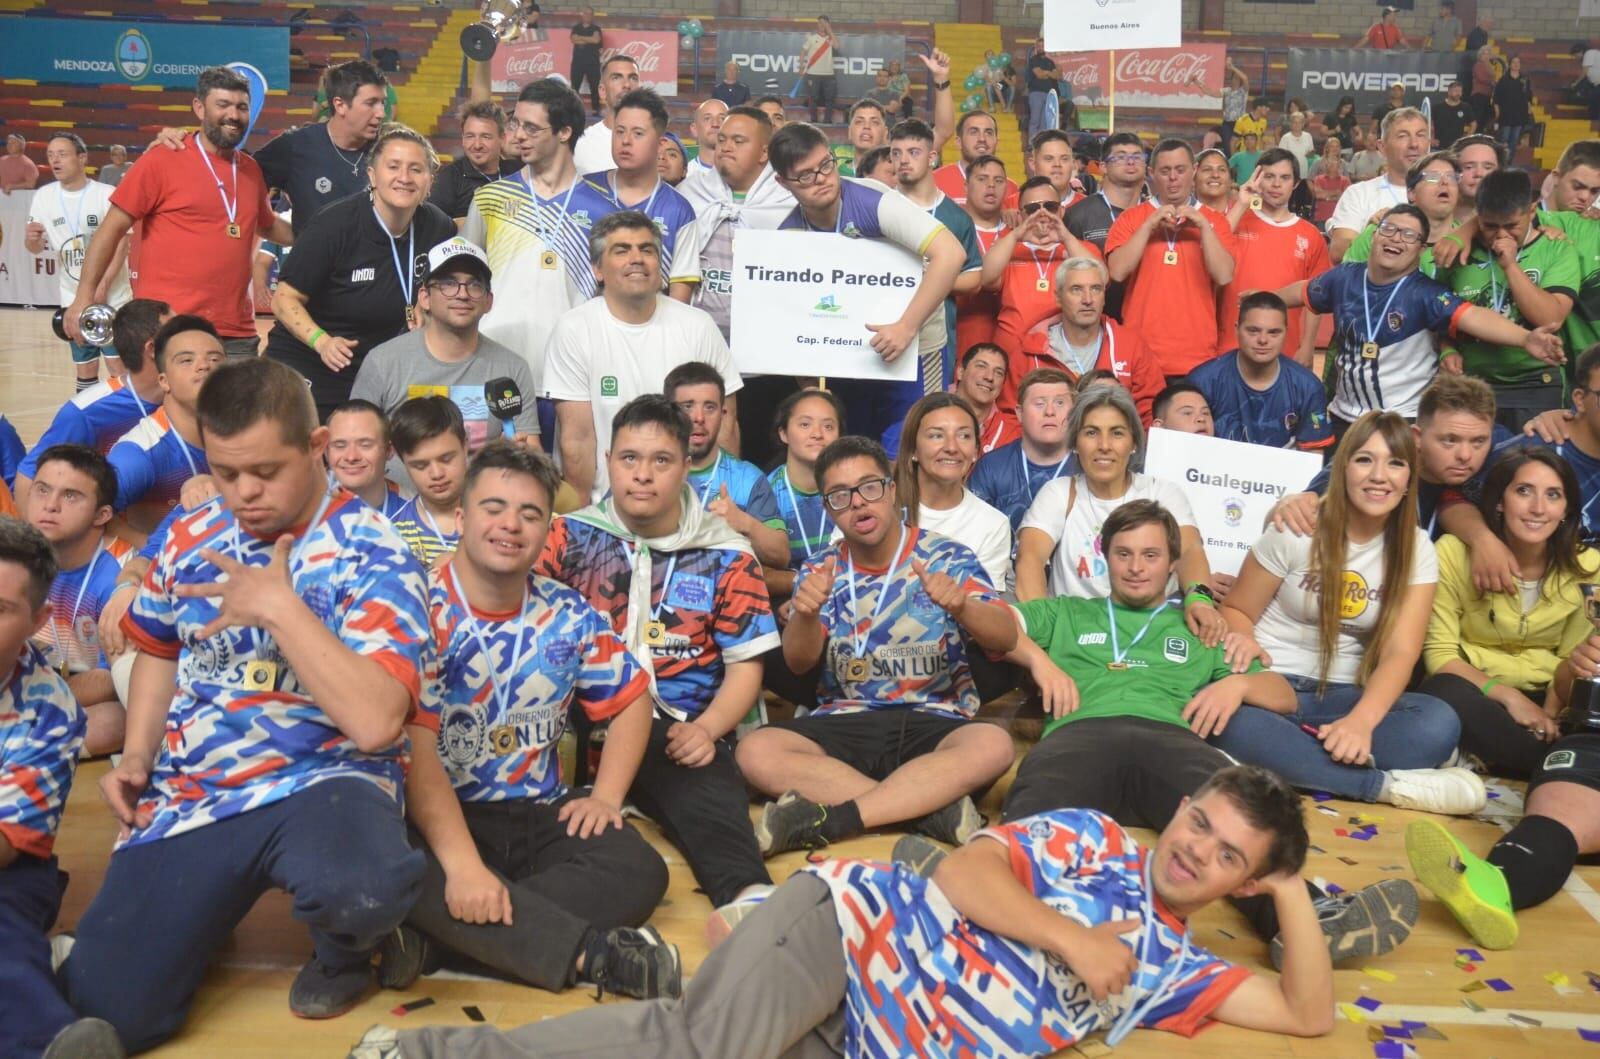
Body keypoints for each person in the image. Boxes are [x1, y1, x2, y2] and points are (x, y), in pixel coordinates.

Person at [359, 764, 1341, 1059]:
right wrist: (1071, 938)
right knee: (700, 1052)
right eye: (1198, 821)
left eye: (1226, 855)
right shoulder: (1090, 836)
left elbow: (1306, 1015)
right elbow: (963, 880)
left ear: (1239, 882)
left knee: (679, 1037)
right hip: (850, 932)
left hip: (869, 1042)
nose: (1194, 848)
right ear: (1176, 804)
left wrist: (1288, 882)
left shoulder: (1178, 970)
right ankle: (424, 1056)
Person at [63, 357, 432, 1050]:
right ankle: (196, 910)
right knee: (108, 1009)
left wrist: (282, 611)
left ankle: (349, 950)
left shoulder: (375, 549)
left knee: (366, 886)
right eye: (227, 472)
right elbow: (160, 651)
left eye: (266, 471)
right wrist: (137, 754)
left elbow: (380, 722)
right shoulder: (189, 533)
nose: (244, 492)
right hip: (196, 786)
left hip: (327, 776)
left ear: (317, 447)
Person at [378, 439, 680, 1001]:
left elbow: (633, 699)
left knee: (642, 869)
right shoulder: (413, 607)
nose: (510, 525)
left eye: (530, 513)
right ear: (463, 517)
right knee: (384, 864)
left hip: (535, 812)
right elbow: (412, 748)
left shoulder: (567, 611)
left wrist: (607, 798)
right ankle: (588, 954)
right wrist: (464, 866)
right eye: (494, 508)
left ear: (548, 529)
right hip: (433, 815)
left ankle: (438, 942)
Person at [534, 396, 782, 936]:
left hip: (677, 728)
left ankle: (750, 907)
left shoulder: (728, 553)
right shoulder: (567, 536)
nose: (642, 475)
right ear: (607, 460)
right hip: (573, 728)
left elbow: (746, 669)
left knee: (712, 800)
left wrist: (708, 730)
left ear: (687, 464)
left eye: (660, 461)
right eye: (628, 459)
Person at [735, 435, 1017, 855]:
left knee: (994, 745)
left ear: (891, 490)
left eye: (869, 487)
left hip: (933, 719)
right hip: (845, 721)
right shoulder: (822, 566)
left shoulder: (947, 556)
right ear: (829, 509)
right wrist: (807, 615)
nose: (859, 504)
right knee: (755, 750)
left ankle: (840, 818)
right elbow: (797, 664)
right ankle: (927, 810)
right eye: (840, 496)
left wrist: (962, 606)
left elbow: (1006, 637)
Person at [1210, 412, 1485, 814]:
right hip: (1270, 685)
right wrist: (1246, 659)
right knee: (1232, 722)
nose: (1379, 475)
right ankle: (1385, 786)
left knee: (1437, 723)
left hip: (1344, 696)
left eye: (1395, 463)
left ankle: (1288, 757)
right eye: (1364, 460)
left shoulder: (1417, 548)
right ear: (1342, 468)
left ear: (1410, 477)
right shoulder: (1297, 529)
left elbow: (1400, 654)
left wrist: (1361, 723)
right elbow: (1236, 609)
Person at [64, 67, 293, 358]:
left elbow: (268, 225)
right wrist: (83, 297)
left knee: (236, 405)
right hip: (169, 329)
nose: (233, 115)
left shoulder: (249, 170)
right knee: (171, 406)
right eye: (222, 105)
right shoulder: (162, 159)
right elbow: (111, 229)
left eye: (241, 107)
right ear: (199, 107)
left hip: (236, 334)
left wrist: (318, 235)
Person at [1278, 204, 1563, 434]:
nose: (1396, 238)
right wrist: (1263, 298)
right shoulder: (1344, 277)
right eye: (1388, 229)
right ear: (1374, 235)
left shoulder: (1426, 294)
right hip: (1344, 418)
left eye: (1409, 235)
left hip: (1404, 422)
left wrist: (1525, 338)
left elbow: (1475, 317)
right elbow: (1302, 291)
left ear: (1421, 249)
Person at [0, 518, 115, 1059]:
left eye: (0, 610)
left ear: (38, 620)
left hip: (11, 867)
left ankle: (47, 1044)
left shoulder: (47, 707)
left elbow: (6, 844)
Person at [772, 122, 965, 438]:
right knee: (855, 449)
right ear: (783, 182)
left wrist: (906, 327)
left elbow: (951, 254)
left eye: (826, 165)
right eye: (805, 176)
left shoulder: (873, 201)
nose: (821, 179)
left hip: (915, 346)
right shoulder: (789, 235)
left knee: (916, 444)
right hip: (851, 356)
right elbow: (794, 322)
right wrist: (808, 386)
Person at [1419, 447, 1595, 779]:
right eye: (1523, 491)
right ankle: (1550, 766)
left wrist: (1548, 714)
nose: (1538, 508)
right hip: (1476, 691)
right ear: (1500, 500)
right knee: (1438, 693)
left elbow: (1570, 665)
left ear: (1566, 509)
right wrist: (1510, 698)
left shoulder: (1589, 568)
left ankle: (1509, 758)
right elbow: (1440, 657)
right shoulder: (1453, 553)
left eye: (1553, 495)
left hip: (1548, 696)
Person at [544, 210, 739, 503]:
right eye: (622, 250)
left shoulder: (698, 325)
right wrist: (585, 519)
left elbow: (725, 423)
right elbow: (578, 439)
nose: (637, 258)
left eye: (647, 250)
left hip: (692, 503)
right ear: (598, 269)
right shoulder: (573, 328)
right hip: (607, 506)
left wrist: (721, 505)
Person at [1015, 386, 1229, 652]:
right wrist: (1044, 631)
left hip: (1152, 633)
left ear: (1134, 443)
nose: (1104, 446)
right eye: (1091, 433)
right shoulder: (1059, 492)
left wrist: (1199, 601)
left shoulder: (1162, 492)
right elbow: (1030, 559)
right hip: (1078, 636)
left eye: (1117, 433)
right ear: (1075, 444)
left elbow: (1190, 550)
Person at [266, 124, 455, 421]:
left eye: (416, 169)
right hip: (314, 362)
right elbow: (284, 299)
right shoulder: (334, 225)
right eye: (393, 167)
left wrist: (424, 302)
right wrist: (322, 341)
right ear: (372, 175)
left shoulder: (438, 226)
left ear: (430, 180)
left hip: (380, 366)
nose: (404, 178)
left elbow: (440, 282)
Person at [1406, 669, 1600, 951]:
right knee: (1559, 815)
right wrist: (1576, 668)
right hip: (1592, 738)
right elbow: (1561, 691)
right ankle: (1496, 883)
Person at [463, 78, 618, 400]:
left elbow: (612, 299)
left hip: (570, 373)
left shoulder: (604, 211)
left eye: (532, 128)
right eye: (516, 124)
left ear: (564, 132)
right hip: (492, 366)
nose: (518, 135)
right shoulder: (489, 199)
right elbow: (464, 280)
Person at [676, 106, 795, 467]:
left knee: (761, 452)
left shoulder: (789, 201)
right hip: (701, 352)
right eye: (723, 139)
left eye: (739, 141)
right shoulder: (690, 193)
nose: (725, 146)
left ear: (764, 152)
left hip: (767, 358)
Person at [352, 235, 541, 452]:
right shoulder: (382, 362)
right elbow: (356, 445)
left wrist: (513, 453)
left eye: (474, 285)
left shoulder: (512, 369)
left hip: (479, 485)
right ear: (424, 298)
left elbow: (530, 449)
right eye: (449, 284)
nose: (462, 294)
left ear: (489, 301)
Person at [1438, 169, 1578, 430]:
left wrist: (1510, 266)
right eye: (1490, 226)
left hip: (1534, 382)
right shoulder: (1460, 250)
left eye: (1512, 225)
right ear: (1477, 216)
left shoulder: (1557, 249)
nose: (1501, 235)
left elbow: (1551, 318)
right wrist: (1447, 348)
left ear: (1532, 211)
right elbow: (1438, 314)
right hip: (1471, 383)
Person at [24, 445, 133, 758]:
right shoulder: (18, 554)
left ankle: (25, 751)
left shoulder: (119, 575)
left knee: (115, 720)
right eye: (42, 490)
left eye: (71, 496)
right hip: (45, 683)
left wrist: (30, 698)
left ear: (103, 515)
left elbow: (114, 680)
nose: (50, 506)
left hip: (89, 694)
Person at [13, 299, 169, 501]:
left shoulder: (188, 396)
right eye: (177, 333)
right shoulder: (85, 412)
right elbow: (29, 477)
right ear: (152, 349)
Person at [1107, 139, 1237, 380]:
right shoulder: (1131, 219)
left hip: (1197, 356)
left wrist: (1202, 226)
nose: (1173, 178)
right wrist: (1148, 226)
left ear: (1194, 171)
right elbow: (1116, 272)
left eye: (1180, 170)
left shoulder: (1215, 222)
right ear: (1151, 173)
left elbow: (1224, 275)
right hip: (1140, 354)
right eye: (1165, 171)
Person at [24, 132, 133, 392]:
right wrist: (32, 240)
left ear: (82, 158)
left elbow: (122, 243)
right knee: (84, 367)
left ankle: (131, 424)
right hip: (72, 299)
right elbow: (35, 248)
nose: (55, 160)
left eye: (62, 154)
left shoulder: (106, 194)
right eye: (50, 155)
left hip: (113, 298)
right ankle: (92, 426)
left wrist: (104, 284)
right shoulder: (43, 197)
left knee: (118, 366)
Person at [980, 178, 1098, 410]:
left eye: (1050, 207)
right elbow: (986, 278)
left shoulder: (1078, 248)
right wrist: (1016, 235)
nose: (1042, 214)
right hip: (1012, 358)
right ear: (1022, 214)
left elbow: (1099, 277)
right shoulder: (1008, 248)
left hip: (1060, 357)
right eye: (1033, 209)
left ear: (1062, 210)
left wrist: (1064, 236)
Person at [665, 361, 790, 569]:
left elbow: (782, 555)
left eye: (710, 407)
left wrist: (744, 523)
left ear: (723, 414)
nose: (699, 418)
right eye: (687, 406)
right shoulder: (646, 470)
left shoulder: (748, 478)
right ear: (669, 412)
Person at [889, 118, 984, 390]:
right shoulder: (880, 205)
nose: (903, 160)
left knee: (926, 416)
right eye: (896, 153)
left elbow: (973, 279)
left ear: (932, 157)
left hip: (934, 342)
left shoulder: (955, 217)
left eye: (913, 152)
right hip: (885, 333)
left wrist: (927, 279)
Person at [106, 315, 223, 531]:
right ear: (164, 381)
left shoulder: (246, 432)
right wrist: (154, 557)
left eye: (215, 359)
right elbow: (93, 520)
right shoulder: (137, 455)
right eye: (186, 360)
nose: (204, 365)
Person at [1016, 256, 1165, 423]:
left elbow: (1152, 411)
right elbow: (1012, 415)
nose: (1088, 299)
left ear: (1104, 297)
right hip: (1048, 448)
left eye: (1095, 289)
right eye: (1077, 289)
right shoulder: (1029, 350)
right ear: (1058, 297)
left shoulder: (1131, 346)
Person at [253, 61, 391, 236]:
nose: (381, 113)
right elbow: (243, 190)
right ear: (340, 105)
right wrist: (298, 238)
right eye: (371, 103)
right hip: (312, 263)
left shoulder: (388, 149)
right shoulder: (296, 146)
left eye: (382, 103)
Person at [1221, 149, 1330, 366]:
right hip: (1228, 346)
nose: (1276, 184)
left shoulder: (1311, 236)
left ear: (1296, 183)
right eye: (1269, 176)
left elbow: (1314, 297)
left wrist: (1307, 346)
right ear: (1257, 179)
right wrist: (1242, 203)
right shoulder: (1237, 220)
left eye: (1285, 177)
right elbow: (1214, 243)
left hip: (1284, 351)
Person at [894, 394, 1013, 591]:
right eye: (936, 435)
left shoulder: (993, 525)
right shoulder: (877, 508)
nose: (951, 447)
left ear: (976, 451)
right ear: (913, 449)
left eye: (964, 436)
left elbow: (986, 611)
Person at [1191, 291, 1334, 452]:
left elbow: (1313, 455)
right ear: (1237, 330)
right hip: (1216, 474)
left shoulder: (1308, 387)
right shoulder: (1202, 381)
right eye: (1253, 331)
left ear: (1286, 333)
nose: (1263, 340)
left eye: (1274, 332)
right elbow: (1185, 445)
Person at [594, 88, 700, 294]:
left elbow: (680, 299)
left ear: (660, 143)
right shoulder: (584, 190)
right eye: (620, 131)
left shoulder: (680, 211)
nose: (625, 140)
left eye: (638, 133)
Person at [970, 367, 1075, 534]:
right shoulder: (991, 466)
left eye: (1060, 403)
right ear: (1019, 413)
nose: (1050, 411)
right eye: (1039, 403)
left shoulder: (1087, 467)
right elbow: (973, 532)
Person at [766, 388, 845, 595]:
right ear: (783, 433)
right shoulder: (763, 492)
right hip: (782, 603)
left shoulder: (851, 490)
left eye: (828, 426)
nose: (817, 434)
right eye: (805, 424)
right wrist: (804, 582)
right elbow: (754, 573)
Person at [1326, 106, 1429, 263]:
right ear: (1382, 147)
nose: (1414, 144)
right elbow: (1339, 254)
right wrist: (1371, 231)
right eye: (1403, 136)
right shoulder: (1359, 193)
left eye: (1421, 135)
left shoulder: (1448, 192)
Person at [1341, 151, 1464, 279]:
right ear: (1411, 193)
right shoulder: (1380, 233)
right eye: (1433, 177)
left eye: (1452, 177)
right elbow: (1345, 282)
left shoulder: (1469, 240)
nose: (1445, 182)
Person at [1065, 131, 1146, 320]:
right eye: (1120, 157)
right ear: (1103, 167)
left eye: (1137, 156)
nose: (1130, 162)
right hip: (1094, 322)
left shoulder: (1155, 214)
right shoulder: (1078, 215)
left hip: (1145, 320)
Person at [389, 396, 470, 567]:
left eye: (446, 459)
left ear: (465, 445)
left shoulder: (499, 519)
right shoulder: (393, 534)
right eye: (420, 465)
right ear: (402, 461)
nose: (436, 473)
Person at [428, 101, 520, 227]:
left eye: (486, 137)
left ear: (502, 139)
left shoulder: (518, 172)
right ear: (462, 139)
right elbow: (432, 226)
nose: (477, 145)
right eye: (470, 136)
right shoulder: (449, 178)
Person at [953, 154, 1010, 354]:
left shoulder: (1016, 232)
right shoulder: (949, 230)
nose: (991, 185)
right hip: (959, 341)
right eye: (982, 179)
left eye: (998, 180)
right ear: (966, 187)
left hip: (1008, 347)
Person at [325, 399, 407, 518]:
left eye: (365, 445)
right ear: (326, 451)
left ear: (389, 450)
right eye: (340, 445)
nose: (351, 457)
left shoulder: (417, 511)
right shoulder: (304, 510)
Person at [933, 110, 1020, 208]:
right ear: (958, 142)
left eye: (988, 133)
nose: (982, 139)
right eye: (973, 132)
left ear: (996, 142)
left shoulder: (1011, 188)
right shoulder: (935, 181)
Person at [573, 54, 641, 176]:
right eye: (616, 78)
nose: (626, 85)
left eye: (633, 78)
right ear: (602, 91)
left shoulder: (656, 144)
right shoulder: (581, 144)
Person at [799, 16, 839, 125]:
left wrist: (829, 30)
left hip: (828, 74)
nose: (821, 25)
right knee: (813, 98)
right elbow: (802, 52)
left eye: (824, 23)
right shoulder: (812, 38)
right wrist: (801, 67)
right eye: (819, 23)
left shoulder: (830, 38)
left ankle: (827, 121)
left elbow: (837, 46)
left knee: (830, 99)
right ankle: (814, 120)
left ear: (828, 24)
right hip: (813, 74)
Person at [1492, 54, 1535, 154]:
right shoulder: (1503, 80)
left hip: (1520, 114)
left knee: (1514, 139)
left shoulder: (1525, 80)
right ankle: (1501, 160)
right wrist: (1497, 111)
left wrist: (1529, 108)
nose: (1516, 64)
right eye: (1514, 62)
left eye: (1518, 62)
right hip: (1506, 114)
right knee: (1504, 138)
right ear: (1510, 65)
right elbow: (1496, 97)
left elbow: (1528, 96)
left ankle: (1509, 162)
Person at [1309, 136, 1350, 229]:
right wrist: (1315, 194)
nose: (1335, 149)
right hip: (1321, 207)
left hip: (1338, 209)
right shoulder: (1318, 162)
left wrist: (1326, 196)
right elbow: (1310, 180)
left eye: (1337, 146)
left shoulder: (1343, 163)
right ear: (1327, 148)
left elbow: (1346, 191)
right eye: (1332, 146)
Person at [569, 6, 604, 113]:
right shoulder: (576, 28)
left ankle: (595, 108)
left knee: (594, 86)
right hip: (577, 63)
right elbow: (573, 39)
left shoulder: (596, 29)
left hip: (593, 63)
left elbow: (596, 40)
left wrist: (581, 38)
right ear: (582, 15)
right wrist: (589, 39)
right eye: (585, 13)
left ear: (592, 16)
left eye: (589, 14)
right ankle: (573, 108)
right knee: (574, 87)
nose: (587, 16)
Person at [1025, 40, 1059, 142]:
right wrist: (1049, 73)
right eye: (1039, 46)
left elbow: (1056, 76)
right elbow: (1039, 75)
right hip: (1036, 93)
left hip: (1049, 94)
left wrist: (1046, 73)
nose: (1041, 48)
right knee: (1035, 120)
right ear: (1036, 47)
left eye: (1043, 46)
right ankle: (1031, 145)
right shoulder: (1033, 60)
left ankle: (1040, 144)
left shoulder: (1050, 62)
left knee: (1045, 122)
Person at [686, 99, 730, 175]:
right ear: (694, 129)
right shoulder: (684, 176)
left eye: (722, 118)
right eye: (707, 118)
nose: (715, 124)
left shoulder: (746, 176)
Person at [1432, 80, 1474, 149]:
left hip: (1457, 147)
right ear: (1449, 92)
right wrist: (1432, 139)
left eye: (1460, 91)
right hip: (1439, 147)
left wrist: (1466, 138)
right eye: (1456, 91)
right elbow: (1431, 125)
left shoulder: (1465, 107)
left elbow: (1474, 123)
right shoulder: (1437, 107)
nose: (1458, 93)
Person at [1278, 111, 1314, 179]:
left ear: (1303, 124)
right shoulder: (1285, 138)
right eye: (1294, 122)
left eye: (1299, 122)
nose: (1297, 125)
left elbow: (1311, 154)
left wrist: (1310, 154)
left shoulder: (1308, 136)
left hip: (1304, 171)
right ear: (1290, 124)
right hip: (1289, 172)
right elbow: (1281, 156)